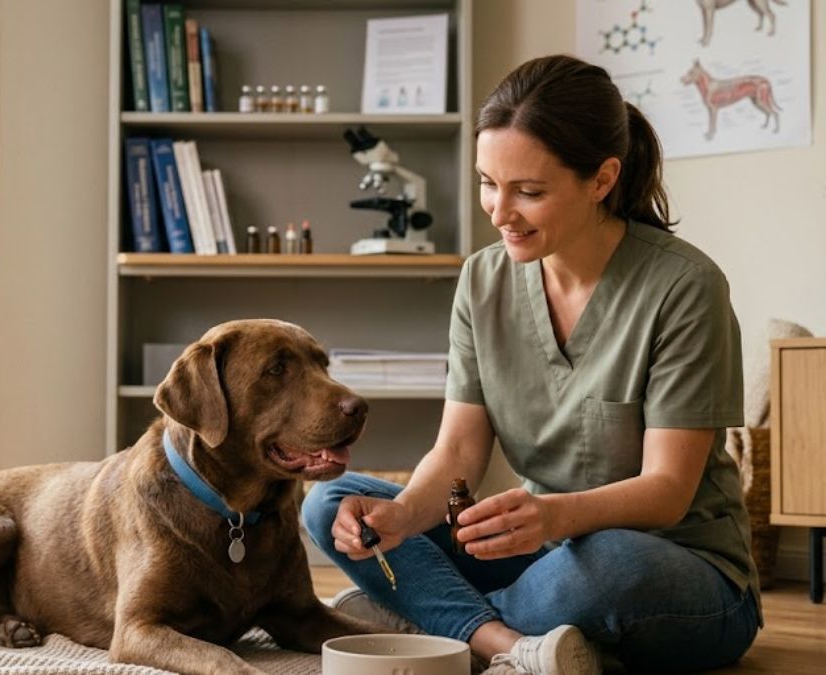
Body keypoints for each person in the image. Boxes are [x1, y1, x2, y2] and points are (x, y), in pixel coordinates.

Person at [302, 54, 762, 675]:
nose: (498, 211)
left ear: (601, 180)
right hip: (543, 549)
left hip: (673, 567)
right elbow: (459, 452)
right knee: (334, 501)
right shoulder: (481, 280)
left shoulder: (684, 286)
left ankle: (419, 618)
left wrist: (550, 514)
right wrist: (404, 515)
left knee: (607, 566)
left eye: (529, 191)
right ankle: (507, 646)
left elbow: (667, 493)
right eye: (489, 183)